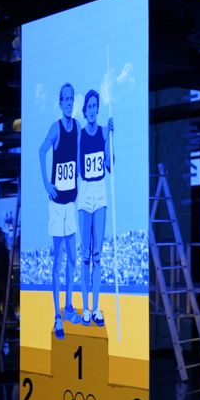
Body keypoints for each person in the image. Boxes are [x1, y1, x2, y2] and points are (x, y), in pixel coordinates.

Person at [38, 82, 81, 339]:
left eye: (71, 98)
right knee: (58, 259)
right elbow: (41, 150)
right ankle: (57, 317)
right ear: (59, 102)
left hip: (71, 202)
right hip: (56, 204)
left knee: (73, 258)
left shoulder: (76, 126)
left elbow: (78, 155)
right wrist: (46, 183)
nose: (68, 102)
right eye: (64, 98)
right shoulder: (56, 127)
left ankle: (68, 307)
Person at [76, 89, 114, 328]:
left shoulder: (102, 131)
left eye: (94, 106)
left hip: (100, 194)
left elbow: (110, 165)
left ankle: (97, 306)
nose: (91, 110)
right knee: (85, 256)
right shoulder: (81, 135)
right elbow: (79, 168)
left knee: (97, 255)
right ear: (85, 110)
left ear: (98, 109)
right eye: (88, 106)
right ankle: (86, 308)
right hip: (85, 195)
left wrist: (110, 137)